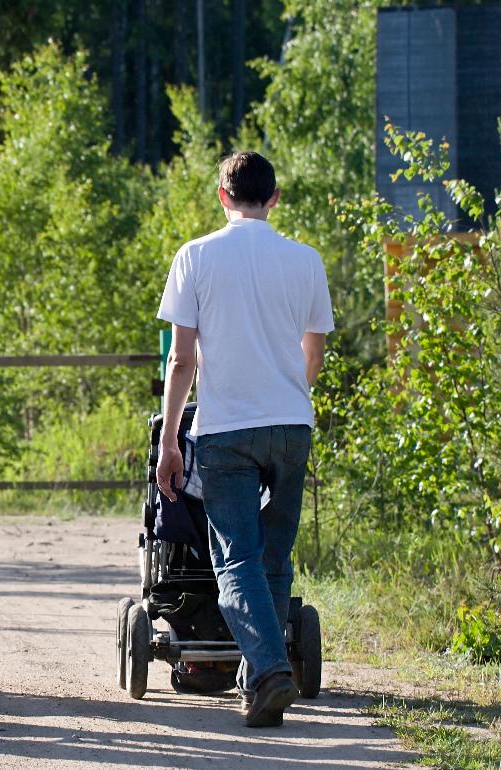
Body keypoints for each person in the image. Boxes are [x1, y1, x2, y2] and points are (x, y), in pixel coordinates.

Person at [154, 152, 333, 728]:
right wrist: (287, 394)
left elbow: (182, 358)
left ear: (222, 196)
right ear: (274, 197)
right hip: (291, 424)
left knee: (235, 560)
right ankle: (262, 681)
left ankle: (269, 667)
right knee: (274, 555)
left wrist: (170, 441)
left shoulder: (196, 257)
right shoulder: (305, 260)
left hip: (225, 428)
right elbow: (314, 354)